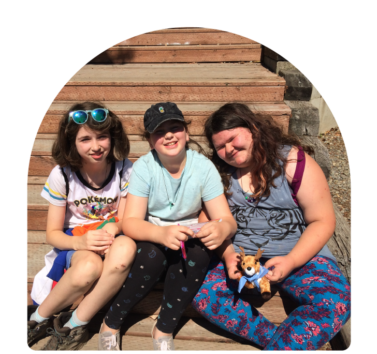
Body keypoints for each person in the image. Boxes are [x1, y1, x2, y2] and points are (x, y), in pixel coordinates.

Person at [192, 103, 352, 351]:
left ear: (254, 128)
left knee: (336, 300)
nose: (228, 150)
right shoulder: (219, 174)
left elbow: (323, 220)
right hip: (242, 259)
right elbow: (208, 223)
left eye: (233, 139)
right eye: (220, 147)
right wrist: (228, 255)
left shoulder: (293, 162)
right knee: (203, 295)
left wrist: (291, 261)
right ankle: (280, 342)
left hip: (299, 255)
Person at [98, 102, 237, 351]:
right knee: (151, 256)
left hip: (188, 236)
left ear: (186, 132)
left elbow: (226, 219)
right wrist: (161, 233)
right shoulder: (144, 167)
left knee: (198, 253)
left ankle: (164, 328)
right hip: (152, 235)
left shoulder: (203, 167)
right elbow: (130, 222)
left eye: (175, 127)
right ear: (151, 141)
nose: (169, 135)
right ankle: (112, 321)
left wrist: (222, 230)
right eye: (159, 132)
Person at [26, 102, 137, 351]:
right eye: (85, 139)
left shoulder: (124, 168)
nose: (96, 146)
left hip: (112, 237)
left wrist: (113, 228)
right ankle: (37, 319)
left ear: (113, 137)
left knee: (126, 250)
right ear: (71, 143)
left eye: (102, 137)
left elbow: (124, 218)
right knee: (88, 266)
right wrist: (80, 242)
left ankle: (74, 324)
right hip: (75, 241)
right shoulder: (62, 174)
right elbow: (52, 234)